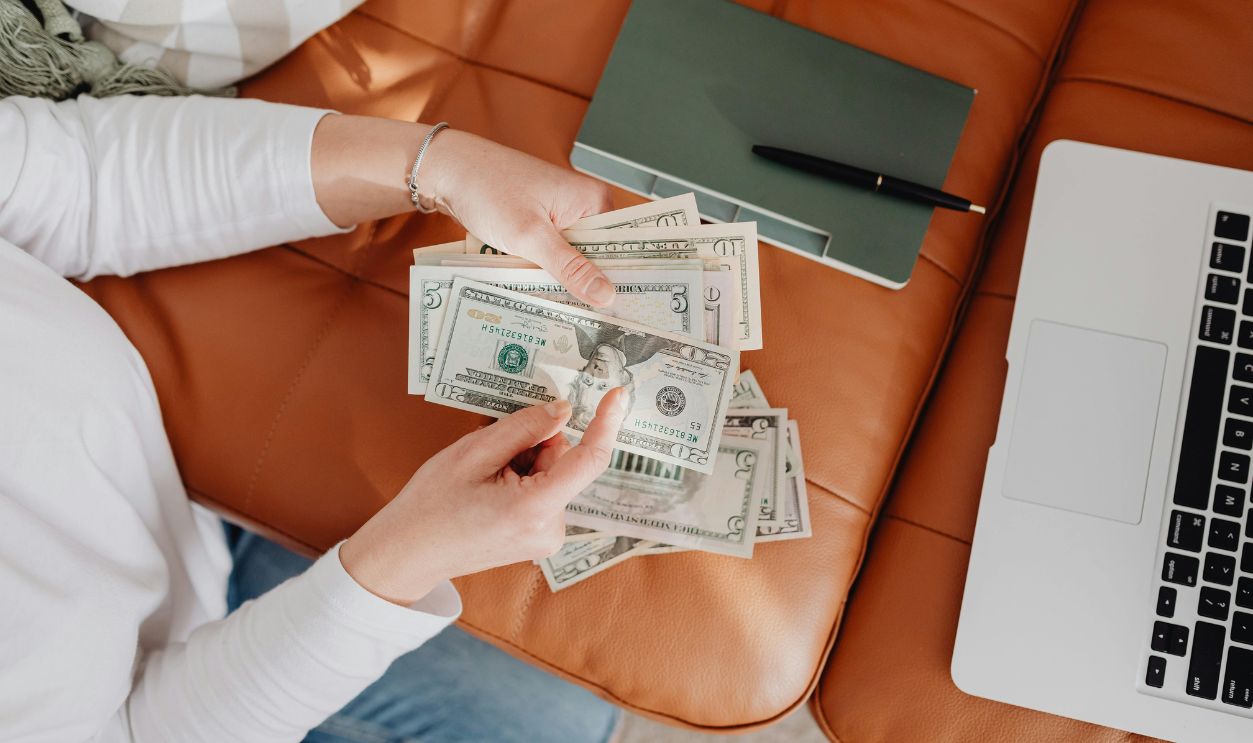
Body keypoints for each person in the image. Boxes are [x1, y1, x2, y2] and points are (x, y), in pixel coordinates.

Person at [0, 42, 633, 743]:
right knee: (559, 726)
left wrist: (440, 167)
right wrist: (403, 558)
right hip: (155, 677)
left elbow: (82, 178)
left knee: (568, 716)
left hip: (171, 500)